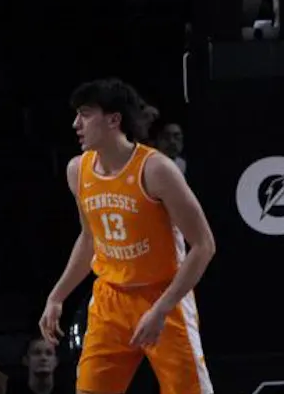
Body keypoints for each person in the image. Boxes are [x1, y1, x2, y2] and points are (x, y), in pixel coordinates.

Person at [37, 79, 217, 394]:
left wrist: (161, 309)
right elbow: (89, 239)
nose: (75, 124)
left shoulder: (156, 170)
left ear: (113, 119)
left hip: (163, 297)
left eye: (85, 114)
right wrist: (56, 296)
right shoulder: (78, 170)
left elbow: (204, 245)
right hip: (110, 298)